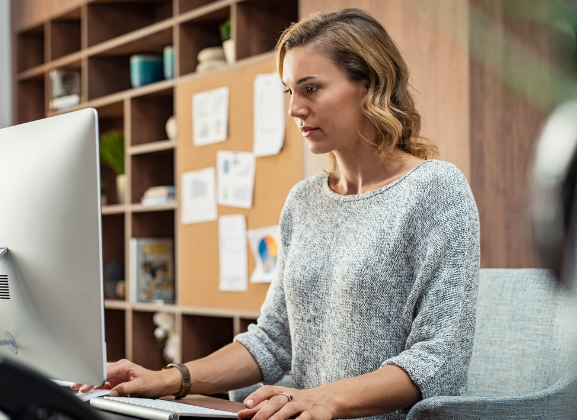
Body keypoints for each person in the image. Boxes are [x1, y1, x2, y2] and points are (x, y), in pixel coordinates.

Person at [74, 8, 480, 420]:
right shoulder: (303, 201)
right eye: (290, 91)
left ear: (370, 85)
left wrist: (324, 398)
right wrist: (169, 378)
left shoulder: (435, 189)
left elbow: (439, 360)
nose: (294, 109)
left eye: (311, 88)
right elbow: (273, 340)